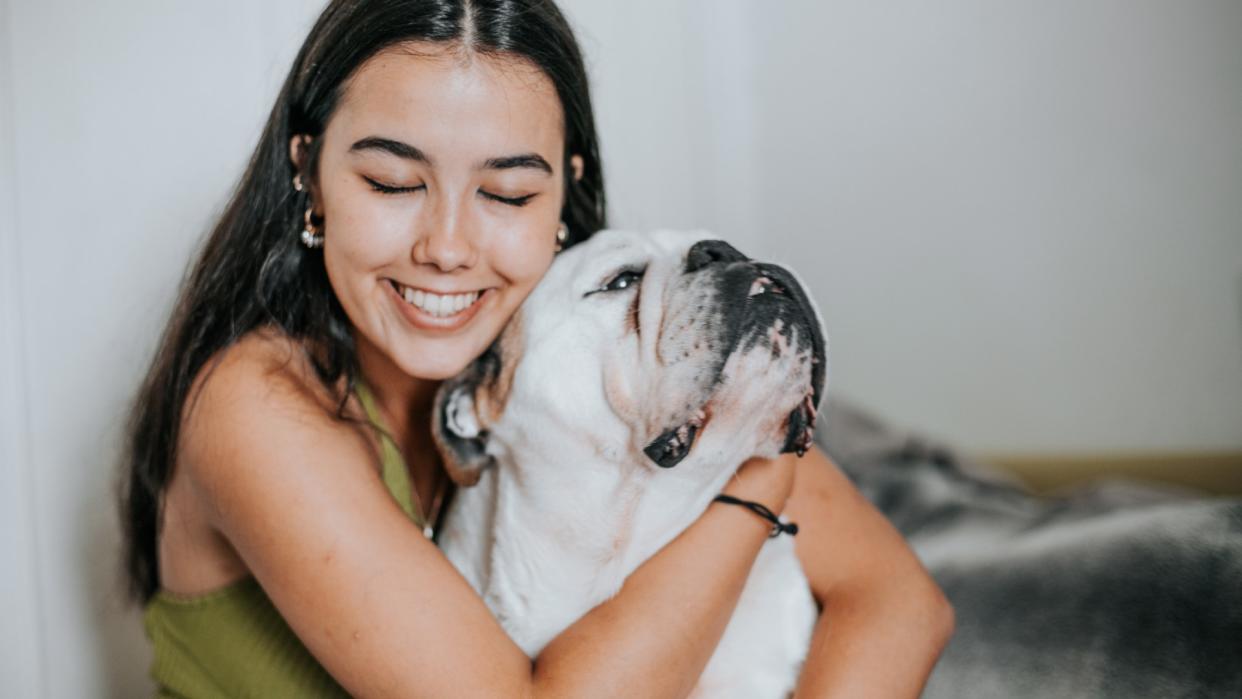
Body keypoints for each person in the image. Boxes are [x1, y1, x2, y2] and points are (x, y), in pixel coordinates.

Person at [119, 1, 954, 697]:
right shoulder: (252, 406)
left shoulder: (570, 340)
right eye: (393, 183)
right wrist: (757, 480)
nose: (447, 246)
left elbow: (898, 600)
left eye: (507, 192)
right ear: (309, 173)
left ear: (563, 193)